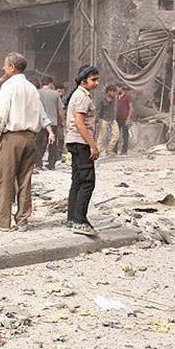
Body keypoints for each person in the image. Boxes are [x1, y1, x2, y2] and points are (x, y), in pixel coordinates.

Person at [0, 53, 54, 232]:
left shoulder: (8, 86)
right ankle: (23, 220)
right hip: (30, 138)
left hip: (12, 138)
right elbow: (41, 113)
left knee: (5, 179)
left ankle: (4, 221)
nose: (3, 68)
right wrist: (49, 130)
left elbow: (2, 114)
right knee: (25, 180)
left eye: (5, 65)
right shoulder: (32, 88)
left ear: (12, 67)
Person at [64, 65, 101, 236]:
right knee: (87, 182)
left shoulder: (79, 95)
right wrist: (92, 145)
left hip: (75, 141)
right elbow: (80, 123)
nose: (96, 83)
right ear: (84, 80)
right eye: (94, 80)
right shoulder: (82, 97)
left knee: (78, 181)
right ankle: (79, 220)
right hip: (81, 143)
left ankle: (72, 218)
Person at [36, 76, 64, 170]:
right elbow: (60, 110)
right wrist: (63, 121)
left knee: (39, 143)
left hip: (40, 123)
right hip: (53, 122)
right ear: (50, 83)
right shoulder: (55, 94)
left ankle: (38, 163)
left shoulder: (37, 93)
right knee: (52, 144)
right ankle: (51, 164)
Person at [95, 84, 120, 157]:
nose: (113, 93)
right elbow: (98, 111)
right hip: (104, 119)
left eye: (114, 92)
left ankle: (109, 150)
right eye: (112, 91)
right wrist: (97, 120)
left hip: (112, 119)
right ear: (108, 91)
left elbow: (114, 108)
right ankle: (99, 151)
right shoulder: (102, 100)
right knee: (102, 136)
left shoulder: (114, 99)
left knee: (116, 134)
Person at [115, 84, 134, 155]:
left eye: (117, 88)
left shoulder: (127, 96)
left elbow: (131, 107)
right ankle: (115, 150)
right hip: (117, 117)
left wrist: (128, 118)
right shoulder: (117, 96)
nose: (116, 90)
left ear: (121, 87)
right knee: (116, 134)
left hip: (125, 117)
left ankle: (124, 150)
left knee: (125, 134)